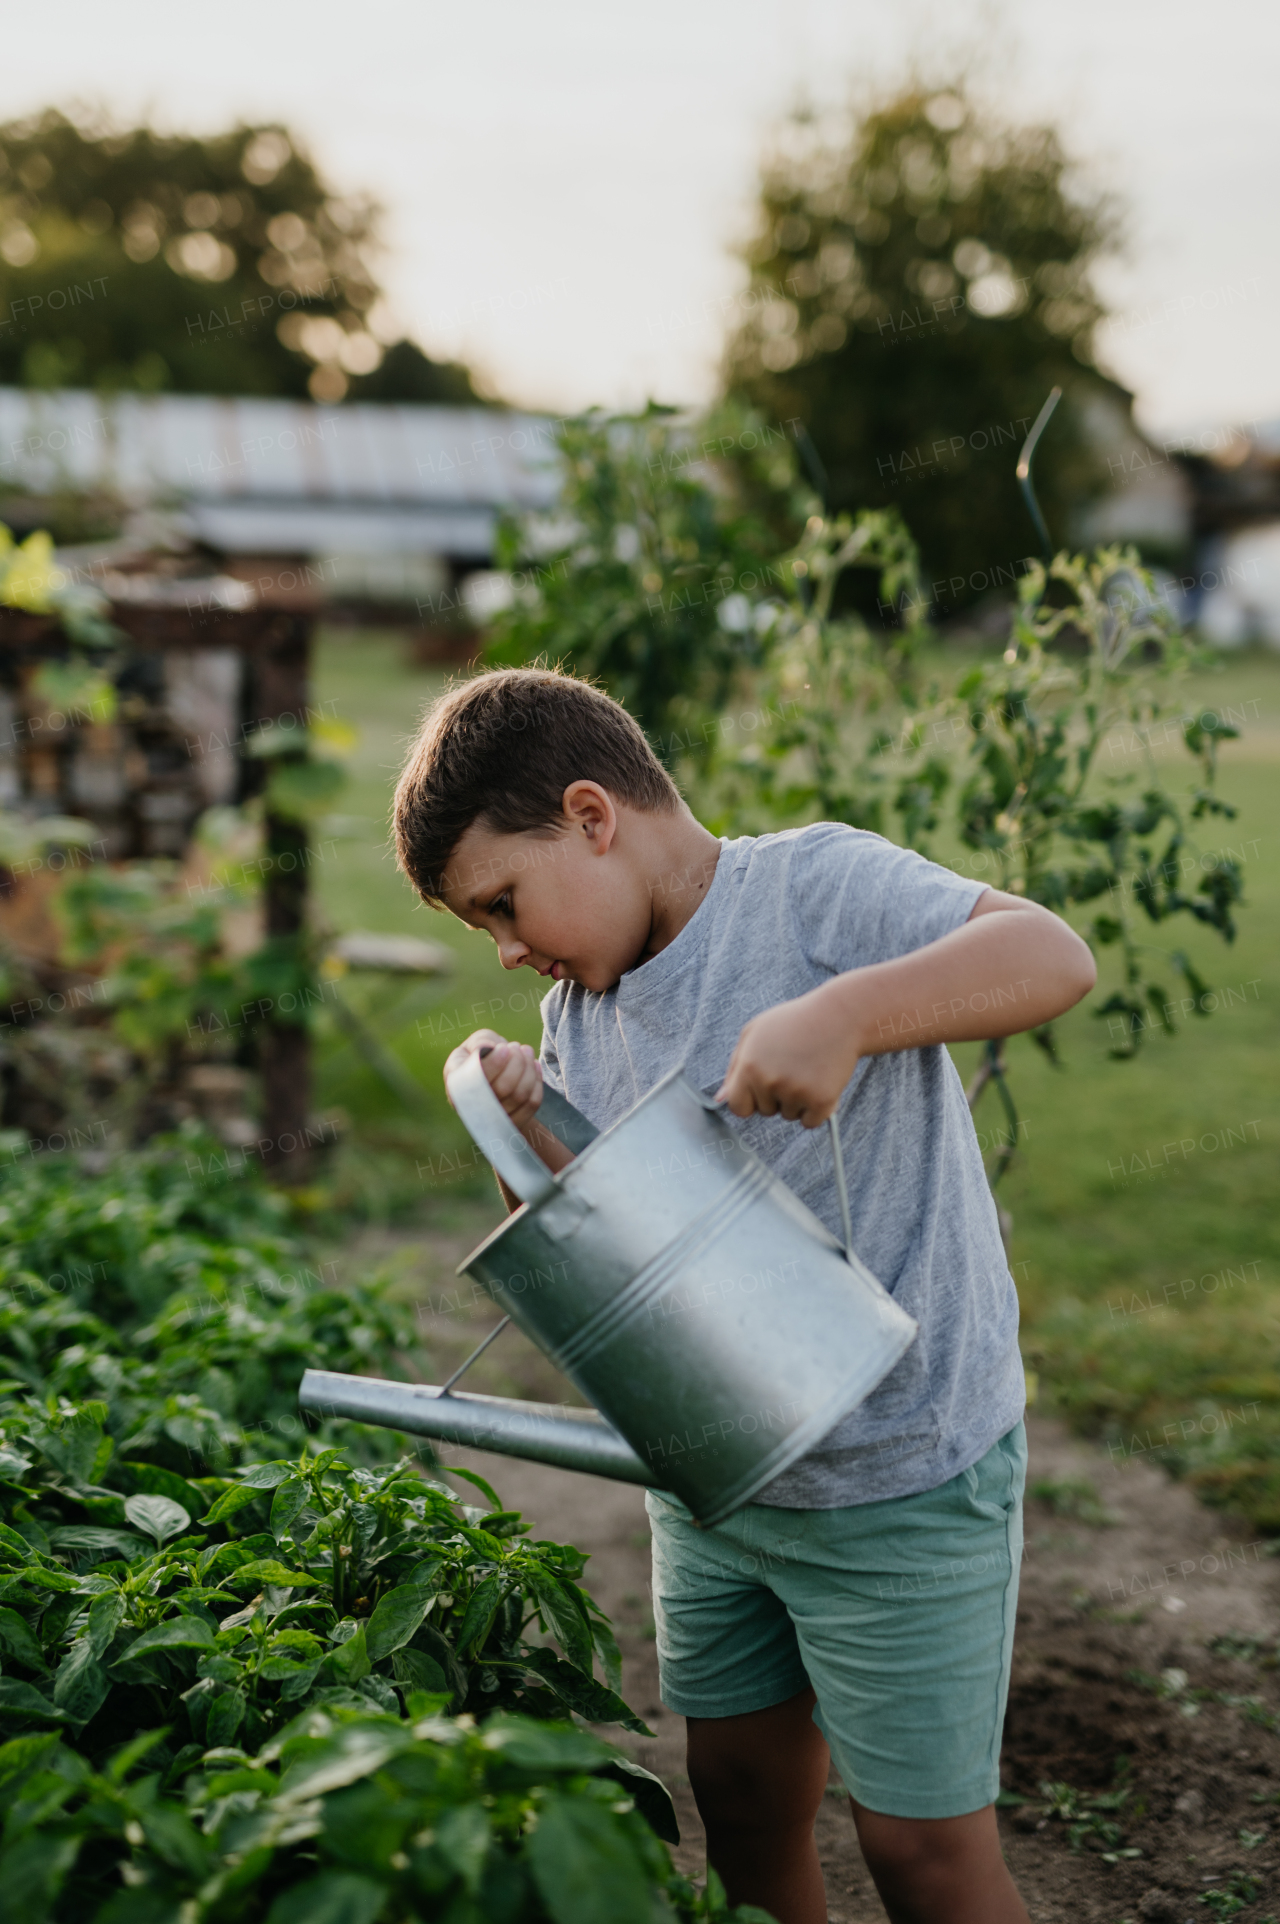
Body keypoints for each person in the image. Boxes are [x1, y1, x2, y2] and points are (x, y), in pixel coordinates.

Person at [394, 665, 1096, 1924]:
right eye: (478, 930)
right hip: (713, 1476)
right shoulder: (577, 1014)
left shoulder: (808, 893)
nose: (505, 952)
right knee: (741, 1797)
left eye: (502, 903)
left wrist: (845, 1014)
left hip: (896, 1473)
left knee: (920, 1853)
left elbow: (1050, 956)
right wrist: (528, 1134)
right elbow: (599, 1258)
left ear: (592, 815)